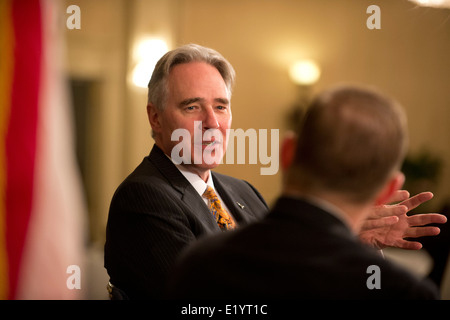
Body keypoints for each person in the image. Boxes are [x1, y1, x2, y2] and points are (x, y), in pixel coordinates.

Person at [104, 44, 445, 299]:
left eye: (221, 106)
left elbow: (277, 257)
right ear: (155, 117)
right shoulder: (144, 196)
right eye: (192, 107)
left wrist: (342, 237)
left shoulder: (242, 191)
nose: (212, 123)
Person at [166, 84, 446, 299]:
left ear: (286, 153)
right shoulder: (402, 293)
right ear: (388, 190)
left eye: (220, 106)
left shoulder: (200, 264)